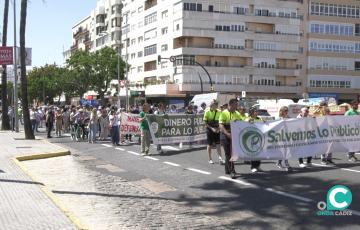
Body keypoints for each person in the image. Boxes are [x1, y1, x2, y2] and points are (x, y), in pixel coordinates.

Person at [219, 99, 243, 179]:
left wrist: (249, 120)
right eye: (236, 104)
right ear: (231, 104)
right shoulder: (224, 113)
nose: (237, 106)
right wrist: (227, 133)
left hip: (233, 135)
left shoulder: (237, 113)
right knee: (229, 153)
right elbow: (221, 125)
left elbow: (242, 121)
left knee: (229, 153)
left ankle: (227, 170)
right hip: (225, 135)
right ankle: (232, 171)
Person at [204, 100, 224, 164]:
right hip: (210, 129)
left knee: (218, 144)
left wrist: (218, 128)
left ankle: (220, 158)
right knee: (209, 144)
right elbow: (205, 122)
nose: (215, 105)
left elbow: (220, 121)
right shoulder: (207, 112)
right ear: (211, 105)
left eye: (216, 104)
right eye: (214, 104)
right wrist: (212, 128)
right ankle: (210, 159)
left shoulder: (219, 111)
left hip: (217, 129)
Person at [245, 107, 263, 173]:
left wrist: (264, 122)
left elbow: (263, 125)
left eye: (257, 111)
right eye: (255, 111)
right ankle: (253, 166)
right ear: (251, 112)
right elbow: (244, 124)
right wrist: (248, 122)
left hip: (259, 137)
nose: (257, 112)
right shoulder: (248, 119)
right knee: (253, 153)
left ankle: (258, 166)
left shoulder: (259, 118)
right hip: (251, 138)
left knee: (259, 153)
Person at [276, 106, 292, 171]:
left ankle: (285, 162)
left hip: (287, 135)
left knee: (286, 149)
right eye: (285, 110)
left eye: (287, 110)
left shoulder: (288, 117)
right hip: (280, 135)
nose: (286, 112)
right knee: (282, 150)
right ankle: (280, 162)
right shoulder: (278, 118)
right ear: (282, 111)